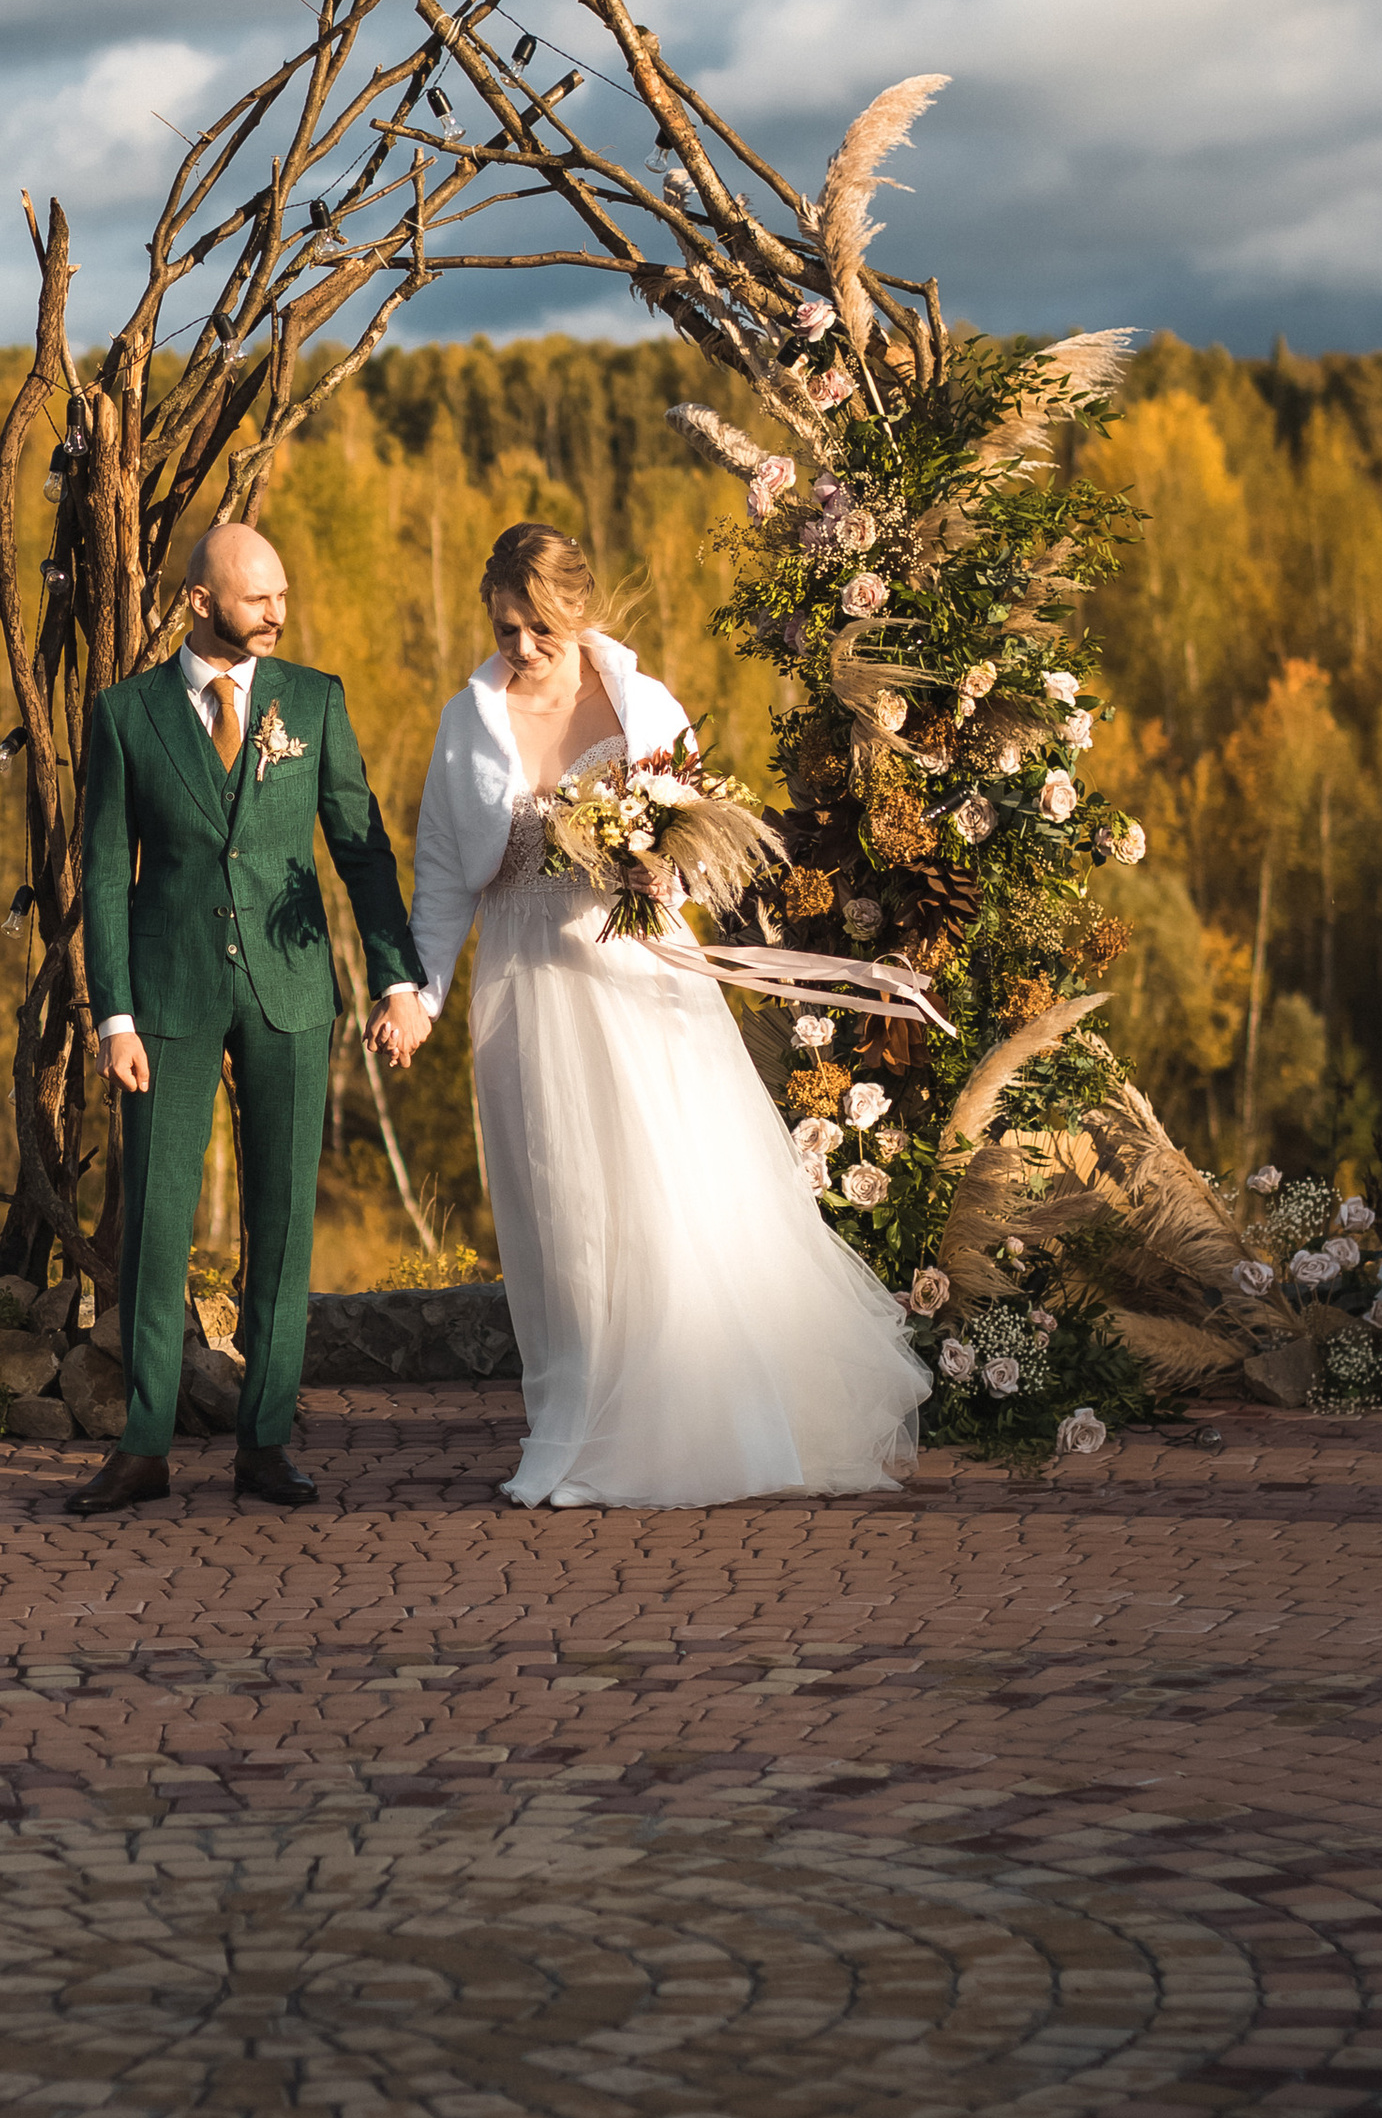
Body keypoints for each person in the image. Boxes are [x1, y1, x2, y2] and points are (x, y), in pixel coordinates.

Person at [408, 521, 929, 1509]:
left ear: (579, 615)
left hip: (639, 969)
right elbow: (441, 872)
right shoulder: (464, 721)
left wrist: (662, 866)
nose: (519, 649)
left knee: (673, 1183)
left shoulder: (642, 705)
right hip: (531, 979)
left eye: (540, 631)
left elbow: (697, 837)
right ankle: (584, 1420)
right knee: (565, 1210)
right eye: (506, 628)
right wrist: (420, 996)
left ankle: (714, 1409)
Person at [76, 521, 430, 1520]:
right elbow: (105, 872)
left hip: (291, 990)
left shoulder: (313, 703)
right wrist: (115, 1016)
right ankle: (142, 1447)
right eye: (255, 596)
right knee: (156, 1220)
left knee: (280, 1220)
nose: (278, 610)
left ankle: (265, 1442)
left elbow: (361, 850)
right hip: (169, 998)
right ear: (198, 602)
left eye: (282, 592)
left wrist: (395, 981)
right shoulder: (125, 714)